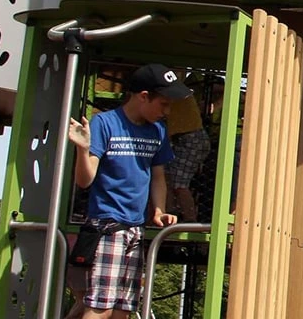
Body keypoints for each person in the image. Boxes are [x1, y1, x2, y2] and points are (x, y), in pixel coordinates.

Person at [68, 63, 191, 319]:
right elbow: (84, 180)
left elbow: (158, 176)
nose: (167, 111)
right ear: (143, 96)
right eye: (164, 104)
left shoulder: (157, 130)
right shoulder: (105, 123)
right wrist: (82, 149)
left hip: (135, 229)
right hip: (107, 227)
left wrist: (159, 209)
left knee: (124, 309)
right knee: (100, 307)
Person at [164, 93, 211, 222]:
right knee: (167, 176)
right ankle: (170, 213)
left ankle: (190, 221)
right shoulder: (177, 92)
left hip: (191, 139)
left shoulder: (174, 94)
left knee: (179, 183)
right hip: (184, 138)